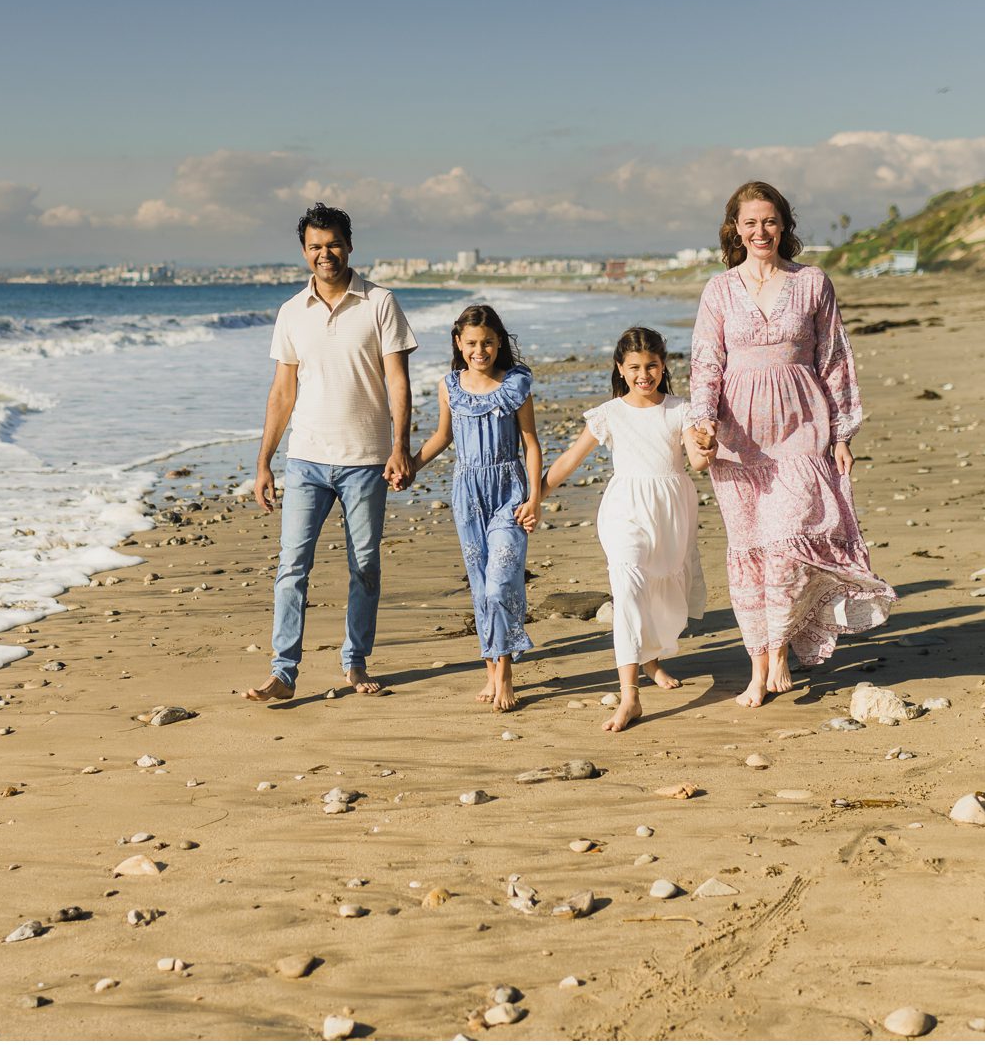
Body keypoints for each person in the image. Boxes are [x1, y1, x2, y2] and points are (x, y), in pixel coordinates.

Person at [686, 180, 894, 708]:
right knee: (750, 553)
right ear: (735, 228)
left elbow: (835, 359)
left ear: (785, 225)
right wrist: (701, 425)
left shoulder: (812, 283)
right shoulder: (719, 289)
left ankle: (778, 648)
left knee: (785, 543)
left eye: (770, 221)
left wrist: (843, 434)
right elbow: (707, 365)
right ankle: (758, 666)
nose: (761, 231)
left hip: (803, 429)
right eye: (750, 222)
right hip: (738, 439)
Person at [244, 203, 418, 702]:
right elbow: (282, 392)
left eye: (334, 244)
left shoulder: (380, 302)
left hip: (366, 459)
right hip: (306, 461)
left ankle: (356, 662)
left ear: (349, 245)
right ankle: (283, 672)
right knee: (291, 567)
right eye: (316, 247)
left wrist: (400, 447)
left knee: (364, 566)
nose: (326, 254)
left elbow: (398, 381)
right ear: (305, 252)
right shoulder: (290, 312)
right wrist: (263, 464)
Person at [543, 327, 708, 733]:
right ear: (620, 367)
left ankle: (651, 660)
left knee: (660, 592)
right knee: (629, 589)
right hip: (624, 513)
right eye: (634, 367)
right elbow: (570, 459)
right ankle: (630, 695)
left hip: (670, 513)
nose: (644, 375)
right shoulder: (610, 413)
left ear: (663, 364)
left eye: (651, 365)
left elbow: (697, 462)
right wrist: (535, 496)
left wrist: (706, 445)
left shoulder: (680, 409)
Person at [411, 305, 542, 712]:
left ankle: (504, 675)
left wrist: (535, 498)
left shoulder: (515, 384)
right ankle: (491, 668)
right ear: (458, 344)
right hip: (467, 495)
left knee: (501, 583)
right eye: (471, 343)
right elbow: (442, 436)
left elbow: (531, 444)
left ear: (499, 341)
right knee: (481, 585)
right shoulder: (449, 385)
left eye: (487, 342)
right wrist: (410, 466)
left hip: (509, 493)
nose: (479, 350)